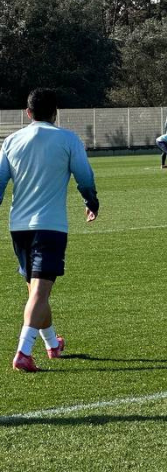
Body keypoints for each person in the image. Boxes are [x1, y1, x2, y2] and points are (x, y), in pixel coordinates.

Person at [0, 88, 100, 373]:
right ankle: (23, 352)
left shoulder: (11, 140)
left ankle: (52, 344)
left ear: (28, 113)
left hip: (18, 227)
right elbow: (84, 175)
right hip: (50, 226)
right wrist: (91, 200)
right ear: (56, 113)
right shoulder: (67, 139)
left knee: (37, 291)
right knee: (40, 294)